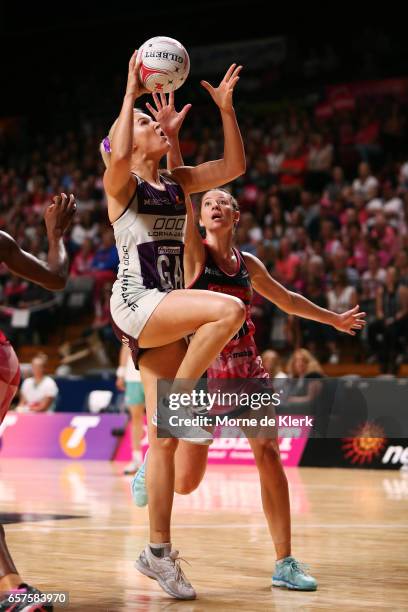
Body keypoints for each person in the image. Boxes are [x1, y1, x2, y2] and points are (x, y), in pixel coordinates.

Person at [131, 95, 366, 593]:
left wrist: (333, 319)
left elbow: (289, 300)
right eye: (208, 202)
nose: (213, 205)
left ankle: (284, 562)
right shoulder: (193, 254)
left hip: (247, 373)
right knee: (186, 482)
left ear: (234, 217)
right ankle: (152, 462)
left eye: (223, 202)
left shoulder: (248, 264)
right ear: (200, 218)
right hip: (202, 375)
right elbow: (181, 187)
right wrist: (173, 141)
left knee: (268, 454)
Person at [102, 51, 246, 600]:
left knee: (169, 451)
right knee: (228, 309)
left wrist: (226, 112)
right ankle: (176, 401)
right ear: (125, 142)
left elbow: (232, 167)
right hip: (137, 302)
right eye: (144, 122)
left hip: (164, 311)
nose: (155, 121)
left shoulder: (176, 181)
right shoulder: (120, 185)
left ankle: (157, 553)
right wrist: (129, 94)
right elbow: (118, 151)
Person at [0, 193, 75, 611]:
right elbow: (56, 275)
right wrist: (55, 234)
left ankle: (14, 593)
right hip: (6, 362)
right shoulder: (1, 240)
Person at [116, 345, 145, 475]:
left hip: (155, 374)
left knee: (160, 418)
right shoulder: (130, 326)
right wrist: (121, 374)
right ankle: (136, 460)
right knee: (135, 418)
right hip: (133, 377)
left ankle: (163, 461)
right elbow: (125, 347)